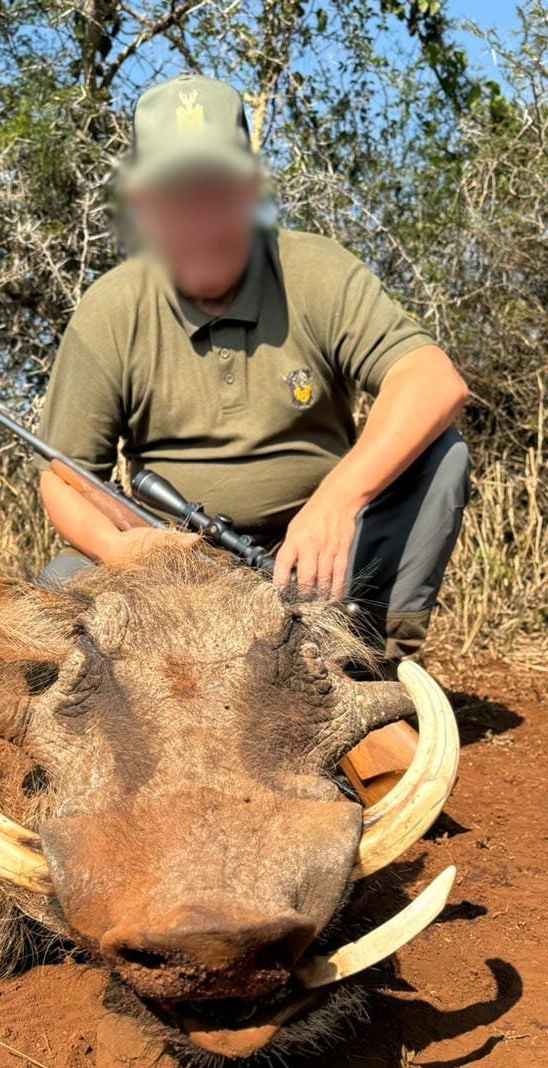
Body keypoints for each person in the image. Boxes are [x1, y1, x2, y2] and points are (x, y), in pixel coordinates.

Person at [35, 73, 471, 666]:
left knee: (441, 458)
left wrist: (338, 500)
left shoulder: (315, 269)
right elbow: (63, 478)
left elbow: (432, 379)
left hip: (319, 564)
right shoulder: (111, 307)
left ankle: (369, 666)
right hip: (178, 571)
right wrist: (121, 549)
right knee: (58, 588)